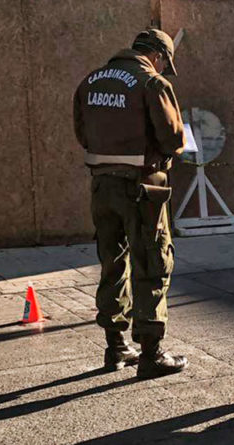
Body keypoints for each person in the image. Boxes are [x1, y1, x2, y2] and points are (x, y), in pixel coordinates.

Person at [73, 29, 188, 379]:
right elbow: (173, 139)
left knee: (112, 263)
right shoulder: (152, 83)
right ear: (157, 55)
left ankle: (116, 347)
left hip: (102, 187)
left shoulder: (90, 82)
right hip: (142, 188)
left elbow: (82, 134)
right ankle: (151, 354)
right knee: (152, 262)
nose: (163, 70)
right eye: (164, 64)